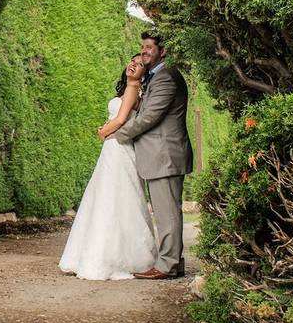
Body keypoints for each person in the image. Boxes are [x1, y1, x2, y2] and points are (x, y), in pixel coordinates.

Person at [58, 54, 157, 280]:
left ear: (144, 73)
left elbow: (121, 120)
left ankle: (105, 257)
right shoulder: (130, 91)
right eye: (132, 61)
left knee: (111, 199)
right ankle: (101, 254)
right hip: (114, 150)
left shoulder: (133, 89)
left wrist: (103, 131)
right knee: (111, 198)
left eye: (140, 64)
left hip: (118, 149)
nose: (133, 65)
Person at [109, 31, 193, 280]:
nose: (144, 51)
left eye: (149, 47)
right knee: (167, 211)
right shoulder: (156, 77)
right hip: (160, 155)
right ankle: (173, 262)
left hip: (164, 155)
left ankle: (167, 265)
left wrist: (118, 134)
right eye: (142, 47)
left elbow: (150, 117)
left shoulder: (166, 77)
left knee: (167, 213)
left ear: (162, 51)